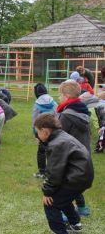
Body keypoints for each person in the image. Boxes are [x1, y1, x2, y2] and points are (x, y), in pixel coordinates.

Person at [34, 113, 94, 234]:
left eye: (37, 132)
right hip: (81, 176)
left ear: (44, 131)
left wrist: (47, 192)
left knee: (51, 203)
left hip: (76, 178)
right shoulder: (61, 137)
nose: (37, 136)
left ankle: (59, 231)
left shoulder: (57, 144)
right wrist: (45, 143)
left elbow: (54, 172)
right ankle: (75, 224)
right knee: (63, 199)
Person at [57, 80, 92, 217]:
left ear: (66, 96)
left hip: (71, 155)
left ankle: (67, 213)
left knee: (66, 185)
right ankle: (82, 208)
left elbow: (59, 136)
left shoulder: (66, 115)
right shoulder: (82, 110)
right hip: (83, 154)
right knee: (75, 184)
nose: (59, 98)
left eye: (60, 95)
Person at [31, 83, 57, 179]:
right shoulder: (53, 102)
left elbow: (34, 120)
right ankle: (53, 172)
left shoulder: (37, 104)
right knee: (53, 151)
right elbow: (58, 115)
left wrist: (36, 135)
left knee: (41, 151)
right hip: (54, 130)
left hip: (42, 131)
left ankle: (42, 172)